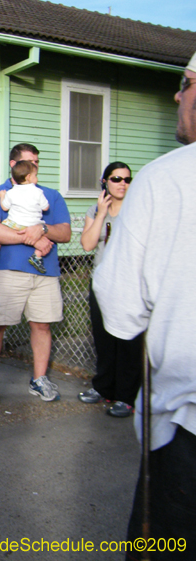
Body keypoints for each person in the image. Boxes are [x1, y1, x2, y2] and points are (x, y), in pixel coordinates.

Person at [93, 52, 196, 557]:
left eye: (185, 83)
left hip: (187, 432)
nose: (177, 96)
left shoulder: (168, 178)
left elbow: (121, 308)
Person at [0, 143, 71, 405]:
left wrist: (41, 228)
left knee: (42, 325)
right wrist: (35, 239)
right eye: (30, 161)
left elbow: (64, 233)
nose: (35, 166)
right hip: (6, 271)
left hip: (45, 273)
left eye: (37, 162)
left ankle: (39, 380)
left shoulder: (50, 195)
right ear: (13, 164)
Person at [78, 162, 142, 418]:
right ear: (105, 182)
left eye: (127, 179)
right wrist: (102, 213)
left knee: (128, 342)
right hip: (103, 284)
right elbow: (87, 244)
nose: (123, 183)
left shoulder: (138, 210)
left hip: (131, 285)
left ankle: (127, 396)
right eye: (117, 179)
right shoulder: (95, 210)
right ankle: (104, 387)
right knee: (104, 340)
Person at [0, 160, 50, 274]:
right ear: (28, 177)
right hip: (33, 226)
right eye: (35, 176)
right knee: (45, 239)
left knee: (0, 232)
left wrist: (2, 196)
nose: (37, 178)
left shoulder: (11, 192)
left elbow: (4, 207)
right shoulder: (38, 192)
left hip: (14, 224)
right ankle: (36, 257)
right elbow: (45, 207)